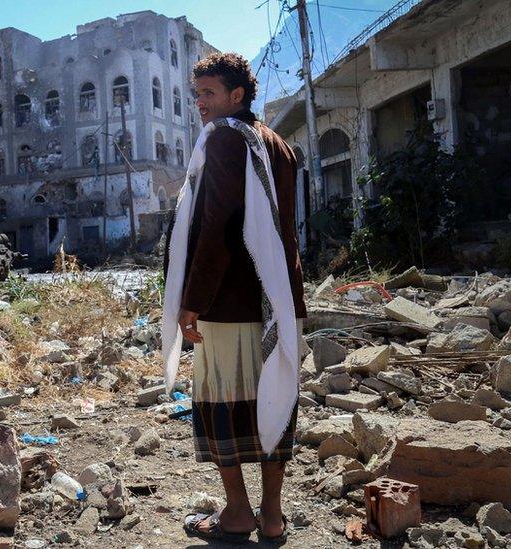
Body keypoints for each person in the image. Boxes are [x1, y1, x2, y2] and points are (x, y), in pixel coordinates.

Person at [163, 52, 307, 543]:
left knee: (221, 404)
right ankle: (272, 517)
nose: (198, 103)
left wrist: (191, 302)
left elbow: (217, 229)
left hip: (226, 306)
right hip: (275, 304)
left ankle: (238, 514)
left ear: (236, 96)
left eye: (207, 93)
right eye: (195, 94)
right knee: (273, 403)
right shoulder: (278, 144)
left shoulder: (226, 137)